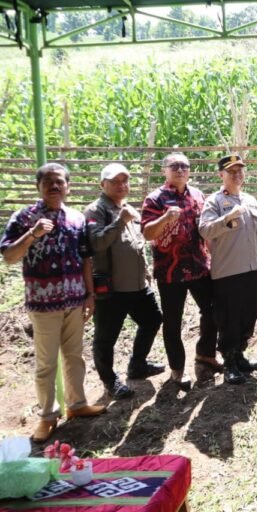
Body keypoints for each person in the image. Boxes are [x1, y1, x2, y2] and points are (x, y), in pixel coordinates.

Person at [1, 163, 105, 443]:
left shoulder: (76, 218)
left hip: (74, 301)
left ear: (68, 187)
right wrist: (33, 234)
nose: (54, 186)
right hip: (43, 304)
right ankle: (47, 416)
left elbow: (86, 258)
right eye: (48, 182)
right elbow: (9, 255)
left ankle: (77, 404)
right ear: (39, 186)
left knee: (74, 357)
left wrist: (90, 294)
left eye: (60, 182)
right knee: (46, 364)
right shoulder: (24, 217)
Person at [84, 163, 164, 399]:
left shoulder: (127, 208)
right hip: (112, 289)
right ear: (102, 184)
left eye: (125, 181)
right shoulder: (96, 210)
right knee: (106, 337)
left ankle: (137, 365)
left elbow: (137, 244)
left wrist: (146, 272)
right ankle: (110, 381)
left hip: (138, 285)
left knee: (152, 320)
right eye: (115, 181)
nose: (121, 185)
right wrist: (120, 220)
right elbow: (97, 243)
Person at [141, 152, 220, 390]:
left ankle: (205, 355)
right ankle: (177, 370)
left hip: (199, 267)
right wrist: (165, 218)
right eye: (174, 166)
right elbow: (147, 234)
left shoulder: (197, 195)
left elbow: (205, 229)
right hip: (170, 272)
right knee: (172, 322)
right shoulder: (155, 199)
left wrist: (212, 254)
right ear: (164, 170)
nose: (180, 169)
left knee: (213, 310)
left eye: (184, 166)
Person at [199, 155, 257, 384]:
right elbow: (205, 231)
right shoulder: (215, 201)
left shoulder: (249, 200)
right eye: (231, 171)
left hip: (249, 269)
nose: (237, 174)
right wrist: (227, 218)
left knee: (249, 314)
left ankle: (239, 356)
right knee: (228, 318)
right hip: (227, 271)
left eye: (240, 170)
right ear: (221, 175)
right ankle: (228, 362)